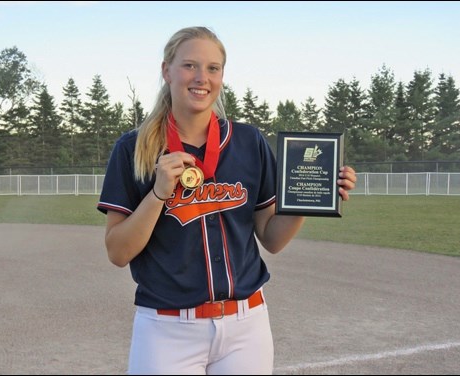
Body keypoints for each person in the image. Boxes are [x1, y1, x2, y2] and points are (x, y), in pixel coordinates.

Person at [97, 26, 357, 375]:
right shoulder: (132, 149)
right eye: (189, 65)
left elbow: (272, 239)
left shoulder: (249, 141)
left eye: (213, 68)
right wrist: (158, 193)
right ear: (166, 71)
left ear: (221, 76)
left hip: (246, 327)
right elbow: (118, 252)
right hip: (167, 329)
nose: (201, 77)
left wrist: (307, 199)